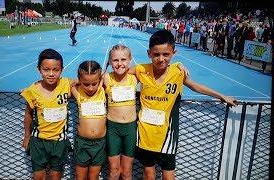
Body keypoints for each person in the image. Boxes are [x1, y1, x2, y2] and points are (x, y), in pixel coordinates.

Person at [128, 30, 237, 180]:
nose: (161, 59)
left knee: (168, 174)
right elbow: (119, 74)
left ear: (173, 52)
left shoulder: (177, 72)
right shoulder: (141, 70)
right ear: (149, 53)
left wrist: (222, 96)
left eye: (166, 54)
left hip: (167, 135)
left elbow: (196, 86)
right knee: (148, 172)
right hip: (145, 133)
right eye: (156, 54)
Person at [21, 48, 72, 180]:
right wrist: (27, 136)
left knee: (56, 176)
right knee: (39, 177)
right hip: (39, 142)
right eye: (46, 69)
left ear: (62, 69)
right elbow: (28, 115)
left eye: (56, 70)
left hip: (59, 142)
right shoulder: (32, 91)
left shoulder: (66, 84)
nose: (51, 74)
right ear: (39, 69)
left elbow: (85, 81)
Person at [103, 45, 138, 180]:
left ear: (130, 60)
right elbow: (86, 81)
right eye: (115, 60)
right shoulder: (106, 77)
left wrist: (178, 65)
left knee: (127, 172)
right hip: (113, 129)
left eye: (123, 59)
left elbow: (156, 69)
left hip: (130, 128)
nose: (119, 63)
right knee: (114, 171)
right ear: (110, 62)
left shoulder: (135, 77)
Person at [71, 60, 107, 180]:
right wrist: (78, 82)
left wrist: (100, 79)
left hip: (100, 143)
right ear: (80, 80)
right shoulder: (78, 93)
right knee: (80, 177)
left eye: (94, 83)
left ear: (99, 80)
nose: (91, 88)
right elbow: (68, 83)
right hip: (82, 143)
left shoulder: (102, 90)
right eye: (86, 84)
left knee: (94, 176)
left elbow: (106, 76)